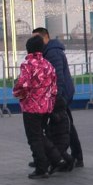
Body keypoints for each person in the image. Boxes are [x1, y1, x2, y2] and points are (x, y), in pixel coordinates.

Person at [13, 35, 67, 179]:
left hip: (31, 107)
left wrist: (17, 93)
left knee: (34, 138)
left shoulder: (28, 65)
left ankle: (41, 167)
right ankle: (57, 159)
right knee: (40, 135)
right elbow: (54, 88)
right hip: (46, 106)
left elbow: (23, 85)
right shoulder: (48, 64)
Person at [34, 27, 83, 168]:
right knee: (65, 125)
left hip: (61, 95)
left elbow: (58, 78)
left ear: (45, 38)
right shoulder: (48, 51)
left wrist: (57, 98)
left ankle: (70, 157)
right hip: (59, 94)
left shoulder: (52, 52)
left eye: (36, 38)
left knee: (65, 126)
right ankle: (68, 156)